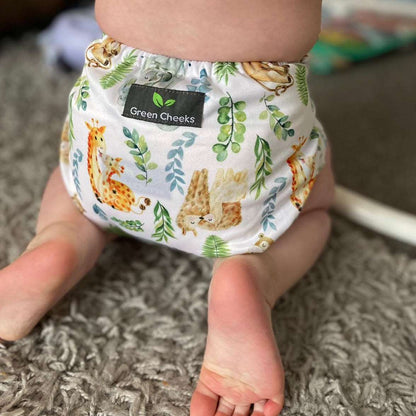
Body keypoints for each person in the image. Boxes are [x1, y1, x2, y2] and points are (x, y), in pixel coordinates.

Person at [0, 1, 335, 415]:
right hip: (241, 132)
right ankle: (251, 274)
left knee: (72, 179)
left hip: (118, 114)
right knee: (315, 202)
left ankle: (58, 241)